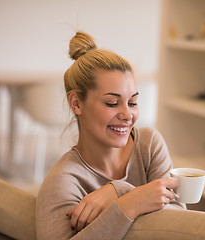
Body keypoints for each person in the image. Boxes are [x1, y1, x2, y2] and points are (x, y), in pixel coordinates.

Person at [36, 31, 185, 240]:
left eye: (132, 103)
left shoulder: (149, 145)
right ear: (76, 103)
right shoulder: (64, 181)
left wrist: (120, 190)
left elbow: (180, 223)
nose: (127, 115)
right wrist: (128, 204)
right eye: (112, 103)